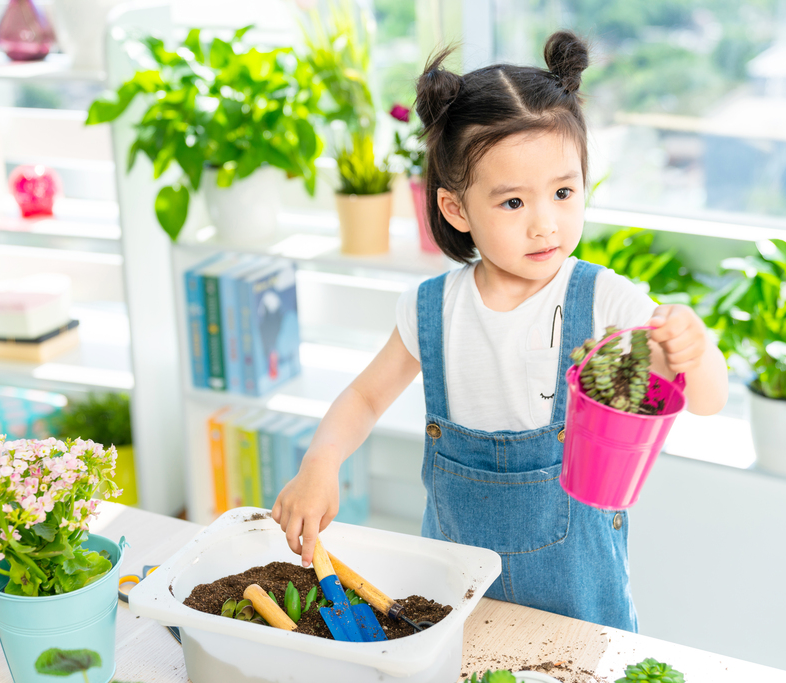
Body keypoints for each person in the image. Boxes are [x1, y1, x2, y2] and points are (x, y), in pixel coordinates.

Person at [272, 30, 729, 632]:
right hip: (456, 593)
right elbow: (364, 396)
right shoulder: (433, 309)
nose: (546, 224)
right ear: (457, 209)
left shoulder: (605, 300)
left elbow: (707, 401)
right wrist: (321, 462)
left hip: (580, 605)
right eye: (514, 203)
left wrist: (695, 351)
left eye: (564, 192)